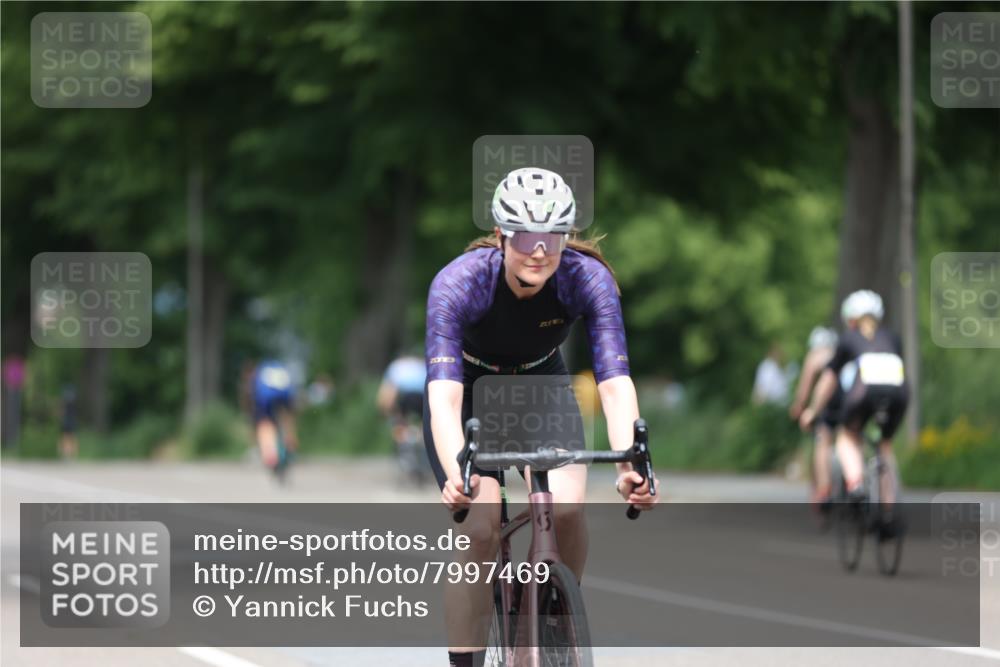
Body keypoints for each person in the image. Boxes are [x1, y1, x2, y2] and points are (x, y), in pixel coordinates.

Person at [423, 167, 658, 667]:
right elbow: (442, 398)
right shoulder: (459, 283)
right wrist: (455, 475)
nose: (539, 249)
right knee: (480, 531)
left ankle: (555, 620)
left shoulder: (587, 279)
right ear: (503, 235)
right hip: (468, 391)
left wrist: (628, 469)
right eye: (526, 235)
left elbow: (614, 385)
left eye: (554, 235)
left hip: (539, 384)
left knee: (568, 511)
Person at [799, 290, 908, 533]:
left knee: (847, 438)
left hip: (863, 393)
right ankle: (889, 511)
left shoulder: (848, 339)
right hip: (898, 394)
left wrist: (812, 410)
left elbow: (828, 380)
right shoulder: (892, 337)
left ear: (851, 320)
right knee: (885, 445)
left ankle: (856, 483)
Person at [789, 327, 840, 511]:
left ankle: (824, 489)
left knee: (822, 440)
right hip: (847, 400)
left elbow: (804, 388)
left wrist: (799, 407)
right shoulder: (838, 354)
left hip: (827, 402)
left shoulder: (814, 357)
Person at [251, 359, 299, 474]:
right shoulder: (281, 370)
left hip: (266, 400)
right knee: (288, 419)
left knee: (265, 423)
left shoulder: (261, 371)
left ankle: (270, 455)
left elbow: (255, 393)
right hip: (285, 397)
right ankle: (290, 446)